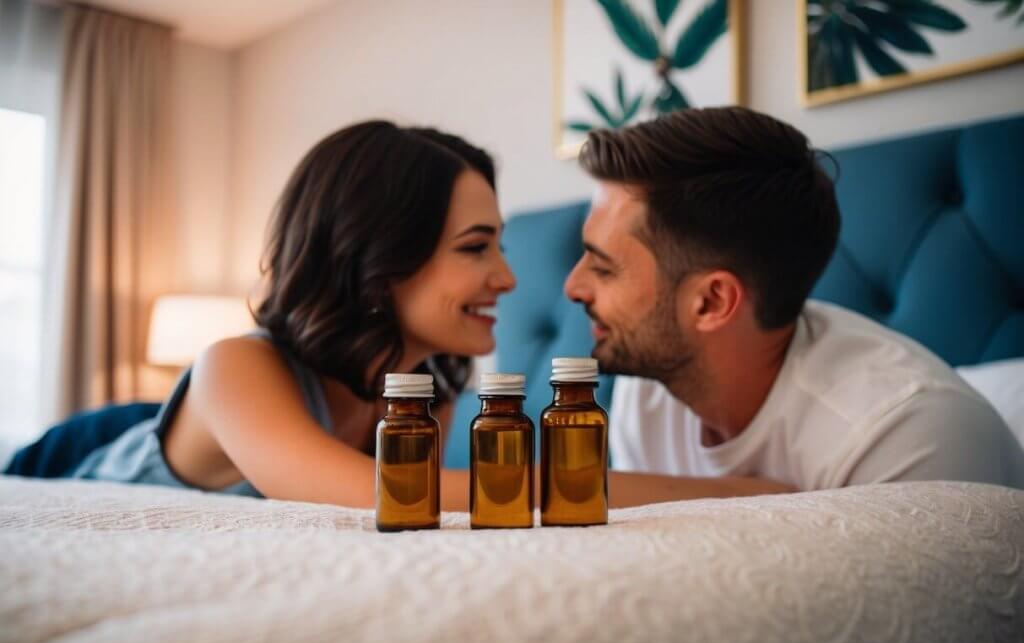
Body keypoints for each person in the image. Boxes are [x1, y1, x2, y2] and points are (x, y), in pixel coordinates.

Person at [7, 120, 743, 508]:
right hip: (82, 457)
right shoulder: (237, 365)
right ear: (379, 261)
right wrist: (730, 497)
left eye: (501, 246)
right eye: (475, 247)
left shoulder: (434, 387)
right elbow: (390, 497)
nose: (509, 278)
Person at [564, 106, 1024, 492]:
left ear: (711, 302)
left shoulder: (905, 437)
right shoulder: (647, 392)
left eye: (603, 267)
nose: (573, 287)